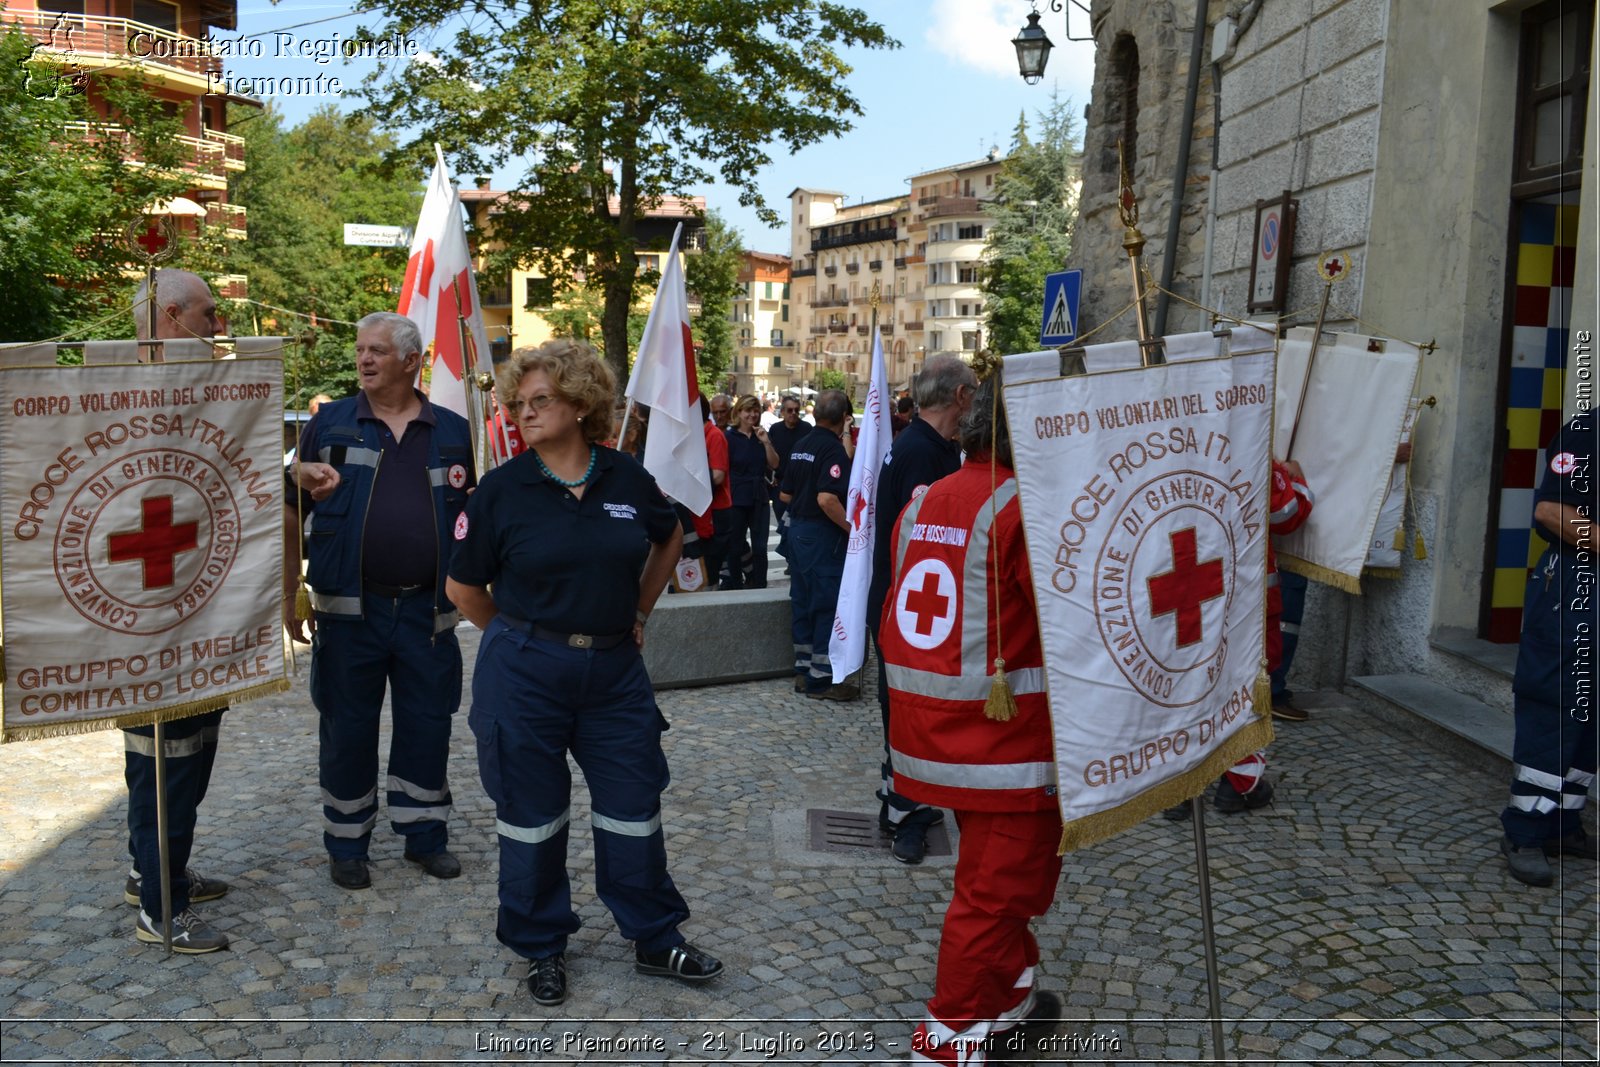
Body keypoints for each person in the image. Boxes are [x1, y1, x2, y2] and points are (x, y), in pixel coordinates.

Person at [446, 339, 722, 1006]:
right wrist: (520, 638)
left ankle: (655, 935)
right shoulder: (502, 491)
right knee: (532, 816)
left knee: (633, 806)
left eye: (540, 400)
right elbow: (463, 589)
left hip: (614, 673)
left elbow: (671, 536)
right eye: (519, 403)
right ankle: (541, 945)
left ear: (580, 403)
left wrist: (640, 610)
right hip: (525, 675)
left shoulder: (626, 477)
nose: (524, 413)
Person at [880, 376, 1061, 1065]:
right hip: (1007, 747)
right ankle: (948, 1041)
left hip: (933, 735)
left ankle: (1008, 998)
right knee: (995, 893)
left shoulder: (928, 499)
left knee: (996, 881)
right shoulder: (1026, 510)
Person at [283, 311, 474, 891]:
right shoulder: (331, 423)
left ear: (412, 361)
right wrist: (291, 590)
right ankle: (347, 843)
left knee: (428, 724)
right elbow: (293, 509)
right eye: (361, 350)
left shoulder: (453, 430)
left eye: (378, 351)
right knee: (347, 728)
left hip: (427, 612)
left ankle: (424, 836)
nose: (364, 360)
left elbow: (474, 520)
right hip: (349, 614)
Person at [124, 269, 230, 954]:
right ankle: (161, 905)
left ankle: (159, 872)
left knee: (192, 746)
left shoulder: (208, 397)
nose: (220, 326)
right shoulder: (117, 396)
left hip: (205, 604)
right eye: (209, 314)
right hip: (146, 609)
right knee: (164, 754)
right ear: (171, 315)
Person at [867, 355, 977, 863]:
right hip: (906, 606)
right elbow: (924, 540)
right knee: (907, 711)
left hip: (909, 603)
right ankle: (904, 814)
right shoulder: (920, 453)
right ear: (960, 397)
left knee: (905, 709)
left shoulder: (925, 444)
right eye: (973, 393)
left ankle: (905, 795)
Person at [1501, 412, 1597, 887]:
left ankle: (1562, 824)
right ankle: (1525, 831)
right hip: (1576, 591)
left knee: (1593, 717)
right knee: (1554, 707)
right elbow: (1551, 512)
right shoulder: (1585, 433)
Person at [780, 389, 857, 699]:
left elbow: (785, 494)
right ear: (843, 418)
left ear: (814, 414)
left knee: (802, 600)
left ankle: (803, 670)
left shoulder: (801, 445)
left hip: (796, 531)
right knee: (825, 603)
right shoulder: (832, 450)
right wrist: (852, 530)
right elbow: (827, 498)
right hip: (820, 535)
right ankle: (821, 679)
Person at [722, 394, 779, 589]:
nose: (752, 415)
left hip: (759, 497)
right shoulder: (729, 437)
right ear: (739, 412)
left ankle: (760, 584)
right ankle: (736, 584)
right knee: (735, 546)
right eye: (748, 410)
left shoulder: (761, 435)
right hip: (737, 497)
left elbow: (775, 464)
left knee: (760, 547)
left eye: (756, 410)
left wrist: (765, 441)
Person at [767, 395, 812, 563]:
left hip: (801, 486)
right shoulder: (776, 430)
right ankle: (790, 559)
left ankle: (796, 560)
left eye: (796, 410)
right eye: (789, 410)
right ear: (783, 412)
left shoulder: (807, 428)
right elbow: (770, 455)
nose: (793, 413)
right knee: (783, 525)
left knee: (797, 525)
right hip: (781, 485)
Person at [700, 394, 734, 588]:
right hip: (704, 510)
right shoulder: (698, 435)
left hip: (717, 510)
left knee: (712, 563)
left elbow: (718, 475)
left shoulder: (714, 435)